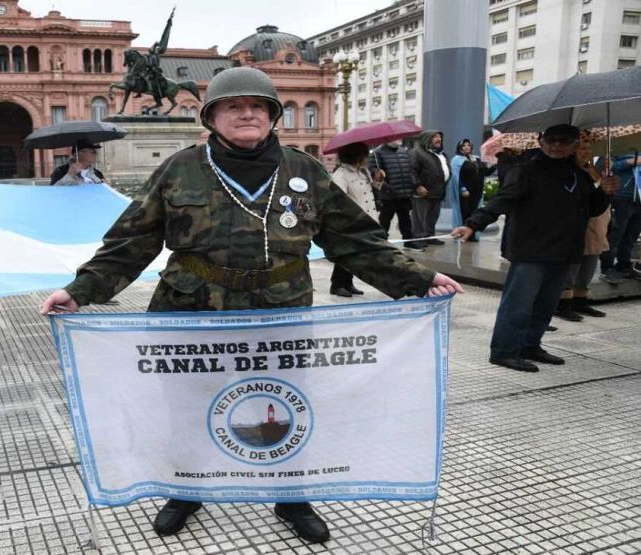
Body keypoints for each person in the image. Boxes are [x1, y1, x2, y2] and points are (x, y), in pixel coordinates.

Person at [39, 66, 463, 545]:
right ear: (212, 117)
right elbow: (131, 241)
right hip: (192, 310)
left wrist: (419, 279)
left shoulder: (304, 170)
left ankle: (291, 494)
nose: (247, 114)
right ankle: (187, 488)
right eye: (234, 106)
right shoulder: (179, 169)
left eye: (258, 106)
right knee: (187, 403)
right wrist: (81, 289)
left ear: (272, 115)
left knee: (285, 401)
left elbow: (356, 240)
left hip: (279, 312)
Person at [452, 124, 619, 373]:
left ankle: (530, 346)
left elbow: (592, 208)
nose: (556, 146)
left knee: (545, 305)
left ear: (574, 145)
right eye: (551, 140)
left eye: (564, 142)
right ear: (540, 141)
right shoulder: (527, 170)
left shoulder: (578, 174)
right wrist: (473, 224)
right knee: (518, 305)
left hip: (564, 251)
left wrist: (604, 192)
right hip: (531, 251)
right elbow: (503, 200)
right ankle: (504, 351)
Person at [556, 138, 610, 321]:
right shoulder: (568, 172)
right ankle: (563, 304)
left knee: (590, 262)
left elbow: (600, 195)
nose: (586, 152)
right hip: (577, 225)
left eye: (588, 148)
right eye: (582, 148)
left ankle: (581, 300)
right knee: (572, 266)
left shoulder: (591, 170)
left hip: (597, 222)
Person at [330, 141, 383, 297]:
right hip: (351, 221)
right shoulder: (341, 174)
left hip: (368, 219)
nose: (367, 158)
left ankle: (348, 283)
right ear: (356, 156)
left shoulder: (364, 172)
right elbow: (338, 198)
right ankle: (337, 284)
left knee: (356, 254)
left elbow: (371, 191)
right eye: (365, 155)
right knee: (346, 253)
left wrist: (378, 180)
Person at [597, 150, 641, 282]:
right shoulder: (616, 147)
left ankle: (624, 265)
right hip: (622, 196)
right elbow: (604, 167)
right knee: (615, 234)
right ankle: (607, 267)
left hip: (639, 197)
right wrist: (631, 161)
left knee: (631, 235)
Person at [406, 130, 451, 251]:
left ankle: (429, 236)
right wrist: (418, 186)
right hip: (422, 192)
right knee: (419, 217)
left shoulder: (442, 154)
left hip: (437, 191)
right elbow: (411, 171)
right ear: (426, 139)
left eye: (440, 137)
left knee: (433, 216)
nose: (439, 139)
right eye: (435, 137)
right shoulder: (416, 153)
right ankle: (418, 239)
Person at [368, 139, 415, 243]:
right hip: (388, 195)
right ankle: (381, 242)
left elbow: (410, 170)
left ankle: (409, 241)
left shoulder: (403, 151)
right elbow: (374, 172)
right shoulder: (377, 153)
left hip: (404, 193)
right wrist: (386, 187)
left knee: (405, 219)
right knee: (385, 220)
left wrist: (412, 185)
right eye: (395, 137)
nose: (399, 139)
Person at [450, 138, 495, 238]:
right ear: (460, 148)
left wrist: (494, 164)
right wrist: (462, 189)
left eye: (468, 145)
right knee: (465, 213)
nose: (466, 147)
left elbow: (485, 172)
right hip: (465, 193)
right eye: (464, 145)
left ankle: (472, 235)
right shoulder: (456, 160)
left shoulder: (477, 158)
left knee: (475, 213)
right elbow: (455, 177)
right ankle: (462, 234)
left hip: (477, 192)